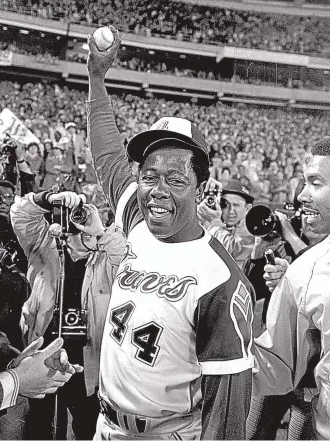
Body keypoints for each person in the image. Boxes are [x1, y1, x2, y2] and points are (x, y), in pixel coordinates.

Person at [87, 27, 254, 440]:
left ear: (201, 189)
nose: (158, 190)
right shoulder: (137, 223)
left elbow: (227, 410)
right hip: (106, 427)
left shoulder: (220, 279)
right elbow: (108, 156)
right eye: (149, 176)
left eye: (176, 180)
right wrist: (95, 79)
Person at [10, 189, 126, 440]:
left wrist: (100, 230)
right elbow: (20, 214)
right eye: (77, 218)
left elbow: (127, 254)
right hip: (45, 356)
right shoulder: (44, 247)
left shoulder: (106, 259)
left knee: (87, 426)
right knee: (41, 426)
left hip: (87, 362)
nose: (82, 225)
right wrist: (48, 199)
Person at [253, 137, 330, 440]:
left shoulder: (310, 271)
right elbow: (277, 366)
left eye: (315, 182)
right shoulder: (306, 271)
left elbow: (274, 368)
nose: (301, 196)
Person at [198, 179, 255, 269]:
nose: (231, 211)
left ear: (248, 208)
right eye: (225, 204)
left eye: (236, 205)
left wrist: (215, 222)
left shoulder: (253, 228)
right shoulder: (216, 222)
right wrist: (197, 217)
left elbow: (231, 251)